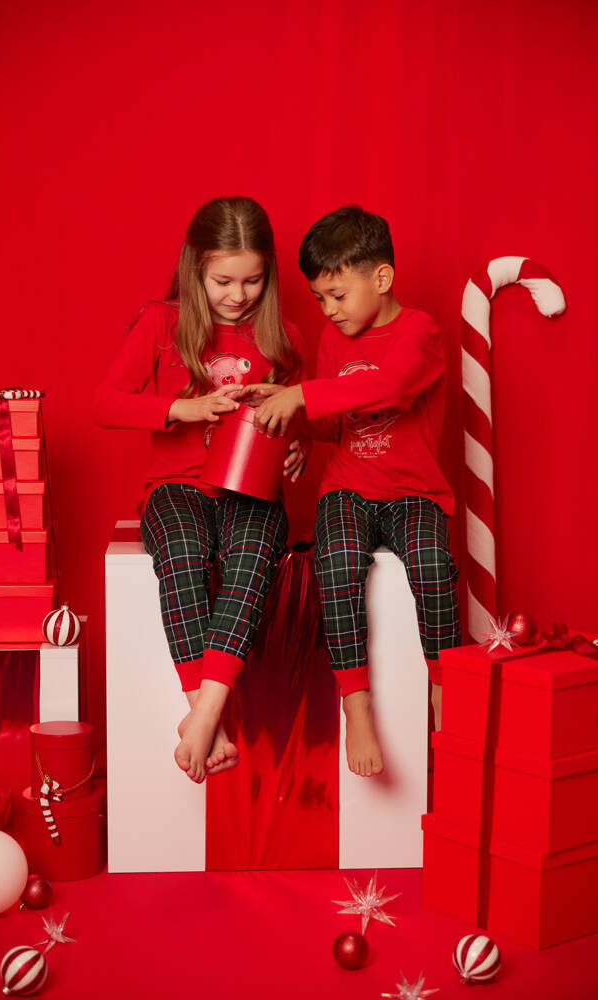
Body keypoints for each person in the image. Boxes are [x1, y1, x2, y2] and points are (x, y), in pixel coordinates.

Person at [93, 196, 306, 783]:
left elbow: (300, 420)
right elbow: (103, 404)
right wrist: (182, 408)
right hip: (176, 487)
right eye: (222, 282)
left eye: (252, 281)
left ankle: (204, 716)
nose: (238, 295)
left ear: (269, 274)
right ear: (195, 268)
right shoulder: (162, 323)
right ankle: (208, 713)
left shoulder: (284, 337)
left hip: (252, 490)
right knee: (183, 554)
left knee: (253, 556)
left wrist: (299, 447)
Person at [248, 205, 460, 776]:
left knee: (432, 564)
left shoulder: (419, 331)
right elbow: (333, 423)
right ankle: (355, 703)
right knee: (337, 562)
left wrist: (302, 396)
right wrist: (297, 429)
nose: (329, 310)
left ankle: (444, 686)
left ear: (382, 278)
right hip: (347, 487)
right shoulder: (330, 339)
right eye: (319, 298)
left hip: (412, 489)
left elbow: (392, 389)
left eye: (338, 295)